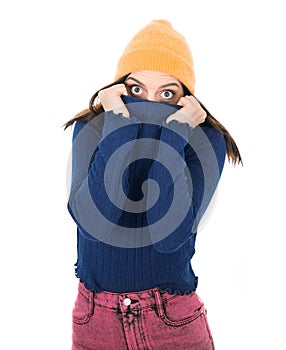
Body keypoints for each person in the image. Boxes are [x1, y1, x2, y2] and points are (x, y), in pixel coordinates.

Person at [64, 19, 242, 350]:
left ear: (186, 97)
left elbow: (169, 235)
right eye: (136, 90)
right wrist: (117, 123)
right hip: (95, 320)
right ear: (118, 88)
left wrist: (174, 134)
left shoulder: (204, 141)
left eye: (167, 93)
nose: (149, 103)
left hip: (170, 320)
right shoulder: (93, 128)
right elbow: (94, 221)